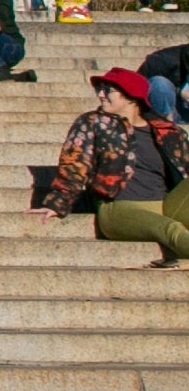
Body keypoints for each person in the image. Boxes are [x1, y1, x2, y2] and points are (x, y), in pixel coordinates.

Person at [39, 68, 189, 259]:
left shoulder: (167, 131)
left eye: (107, 90)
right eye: (99, 90)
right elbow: (74, 165)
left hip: (166, 204)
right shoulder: (93, 122)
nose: (101, 95)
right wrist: (58, 202)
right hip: (118, 208)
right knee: (171, 229)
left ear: (131, 97)